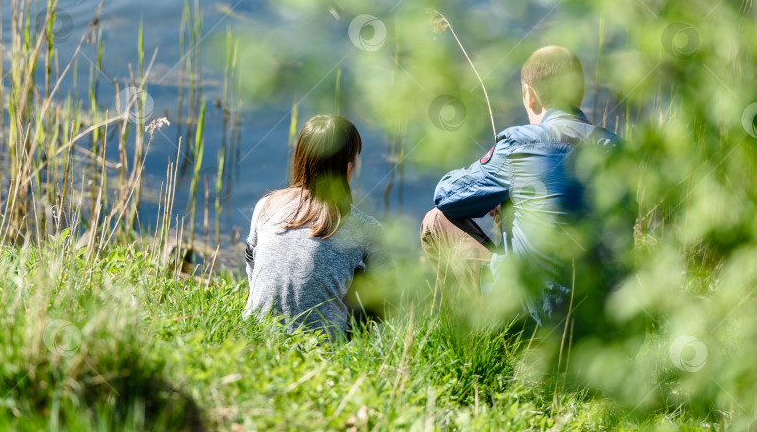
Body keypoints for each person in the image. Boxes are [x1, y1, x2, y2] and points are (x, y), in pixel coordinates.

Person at [421, 46, 635, 329]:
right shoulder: (620, 150)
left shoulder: (520, 145)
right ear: (580, 92)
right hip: (607, 323)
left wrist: (501, 195)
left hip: (535, 323)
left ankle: (481, 340)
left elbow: (446, 197)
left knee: (435, 221)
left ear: (529, 95)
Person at [243, 115, 392, 340]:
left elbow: (252, 270)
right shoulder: (366, 228)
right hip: (321, 347)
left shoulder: (265, 205)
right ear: (349, 166)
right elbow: (387, 299)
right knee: (364, 275)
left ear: (299, 158)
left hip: (255, 335)